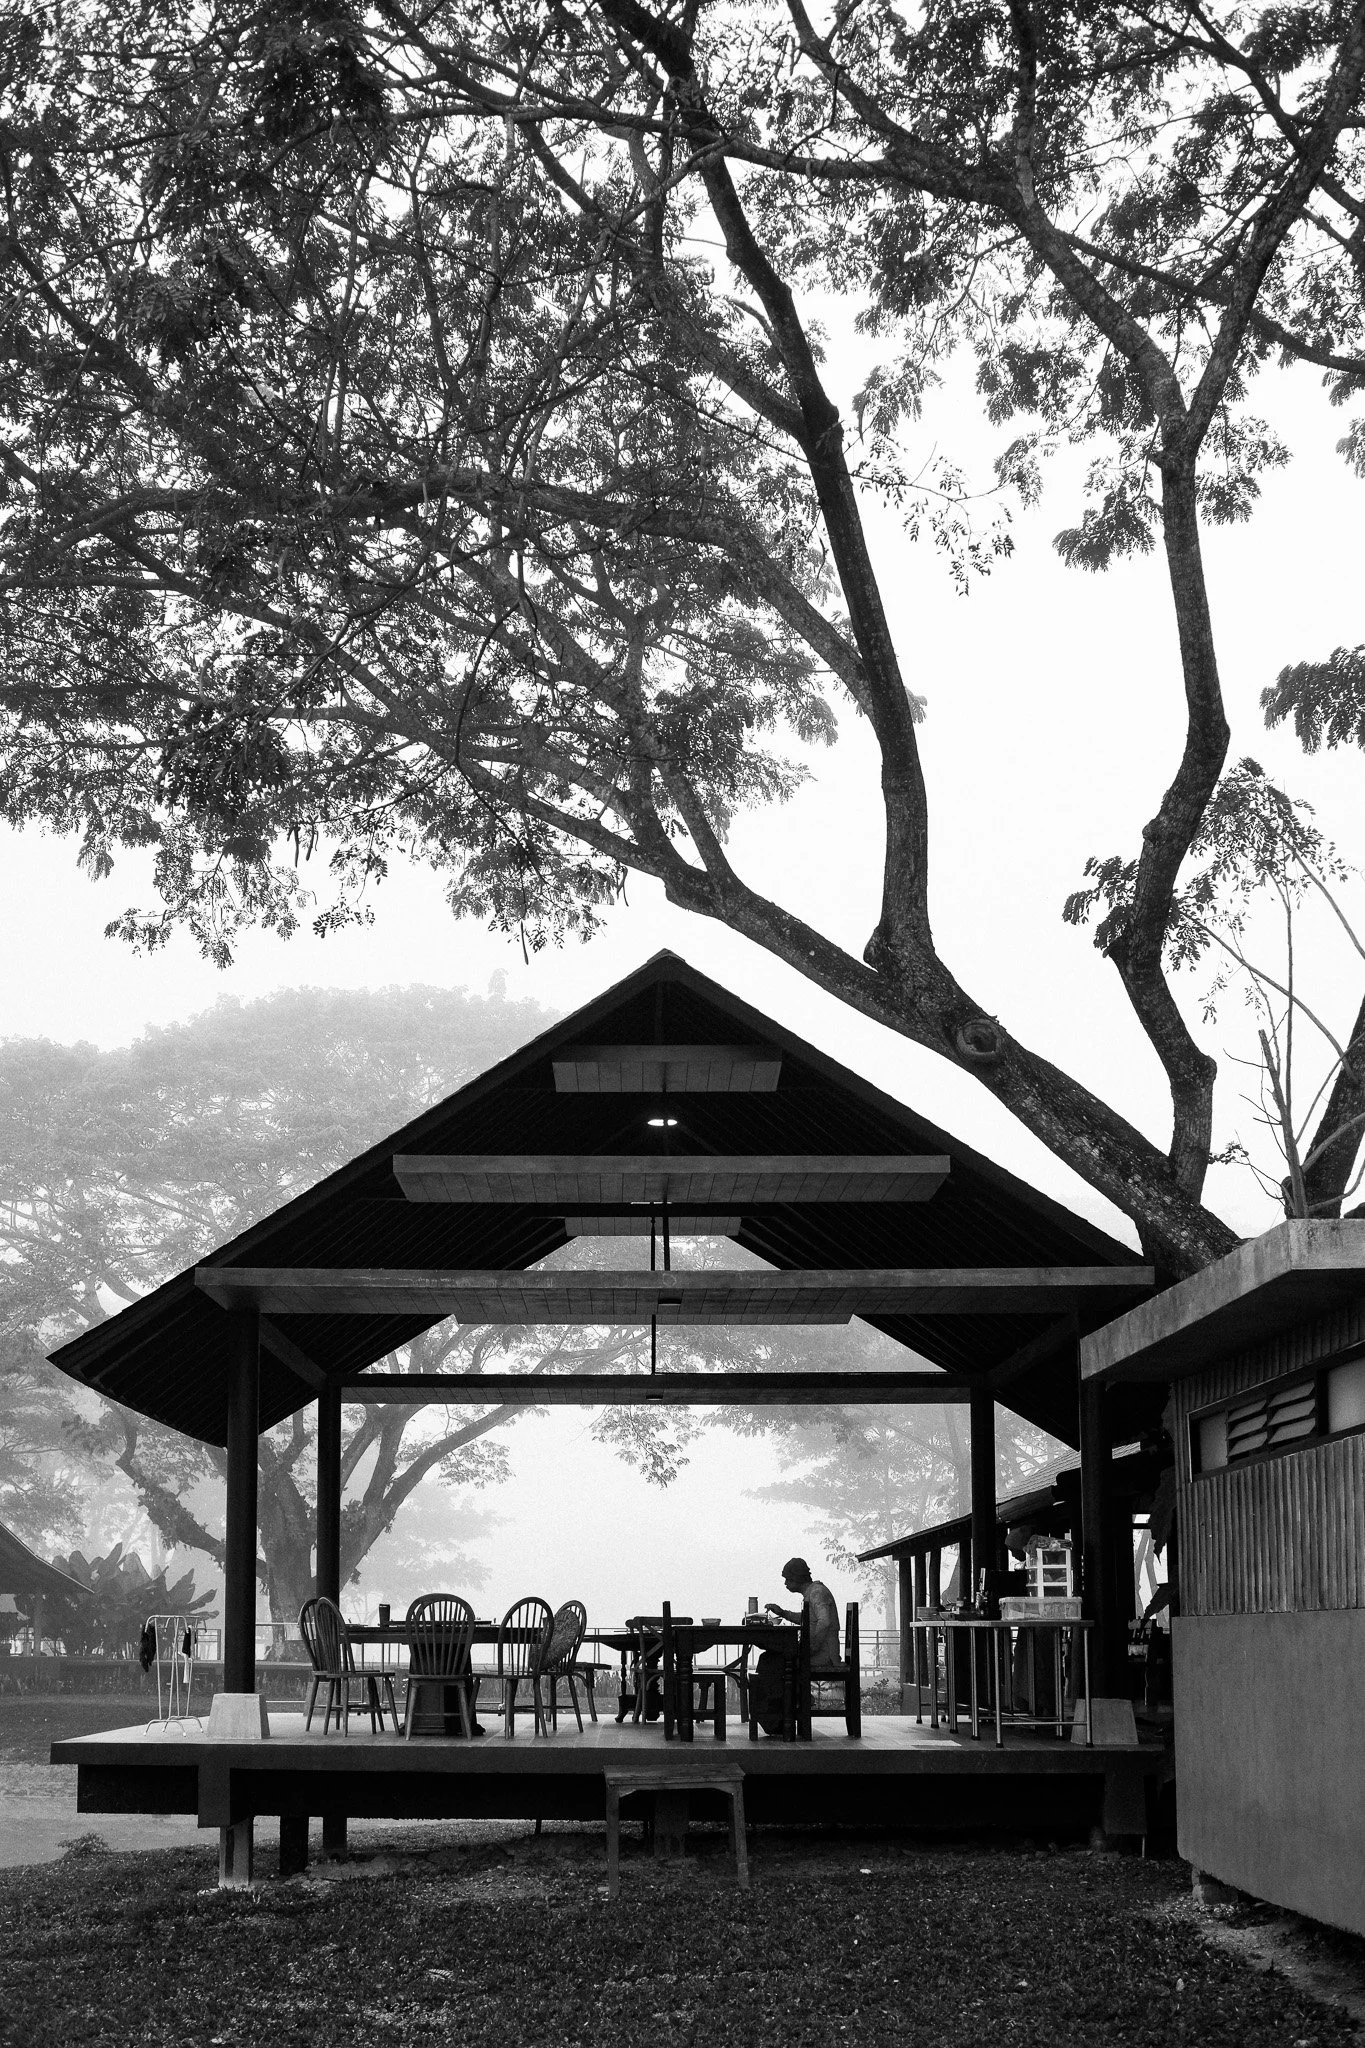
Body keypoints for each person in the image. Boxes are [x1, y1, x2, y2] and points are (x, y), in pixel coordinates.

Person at [749, 1557, 842, 1734]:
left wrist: (810, 1647)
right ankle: (779, 1715)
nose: (785, 1583)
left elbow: (825, 1622)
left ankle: (779, 1716)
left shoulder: (817, 1593)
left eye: (788, 1579)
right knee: (769, 1659)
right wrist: (783, 1613)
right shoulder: (812, 1592)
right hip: (816, 1652)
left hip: (823, 1655)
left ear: (797, 1578)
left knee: (772, 1662)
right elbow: (807, 1619)